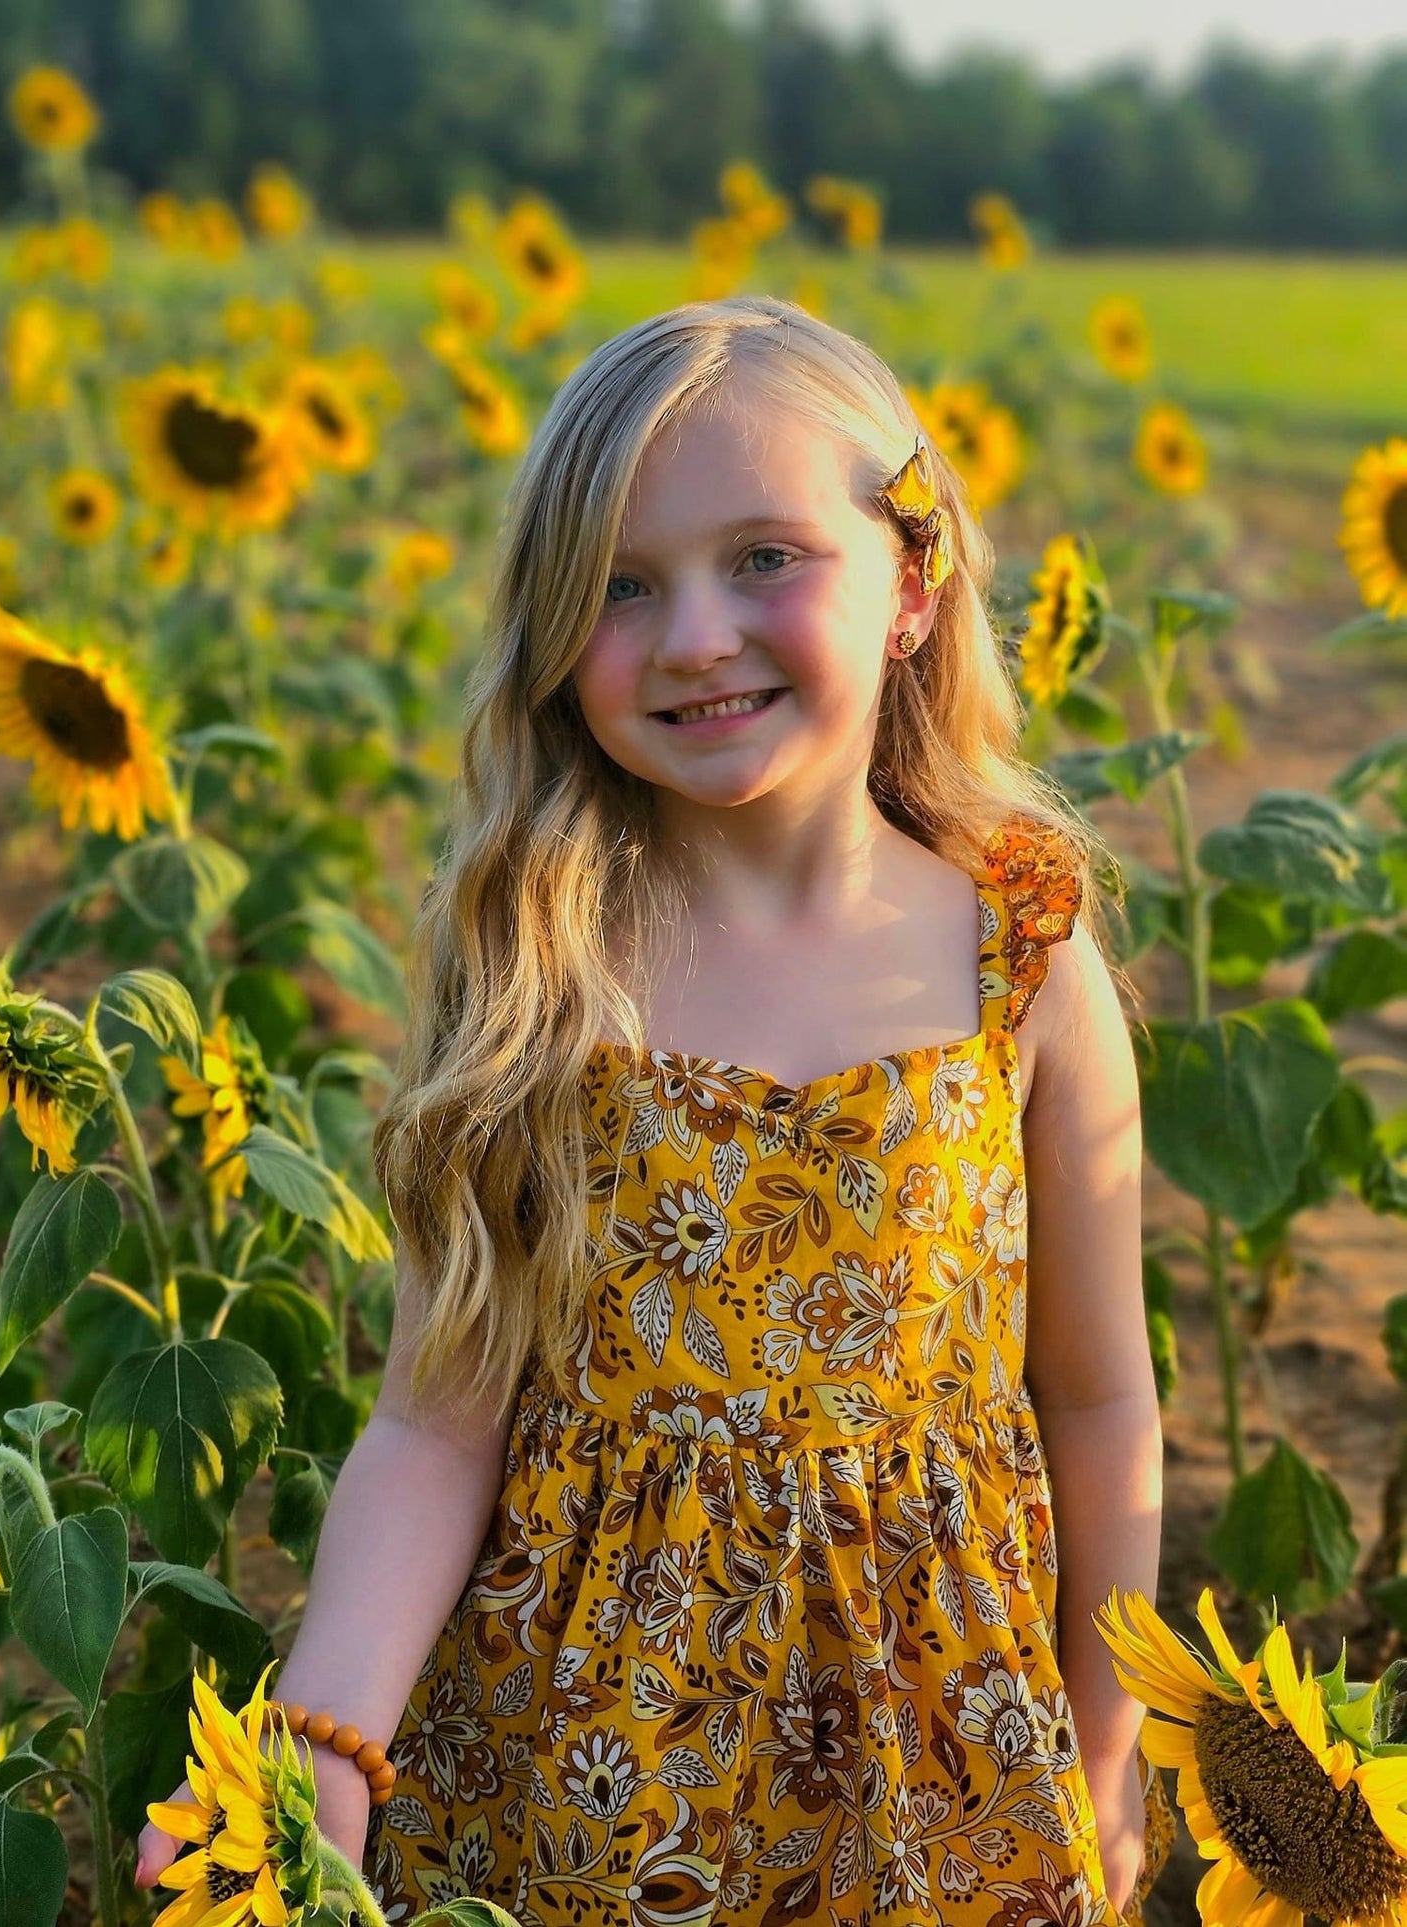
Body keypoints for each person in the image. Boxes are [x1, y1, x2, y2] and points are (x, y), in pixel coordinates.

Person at [136, 294, 1174, 1924]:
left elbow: (1099, 1402)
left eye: (764, 557)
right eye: (620, 586)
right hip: (582, 1772)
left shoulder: (1019, 957)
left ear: (910, 585)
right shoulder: (541, 967)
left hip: (933, 1763)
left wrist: (1105, 1759)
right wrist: (324, 1742)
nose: (693, 633)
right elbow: (432, 1419)